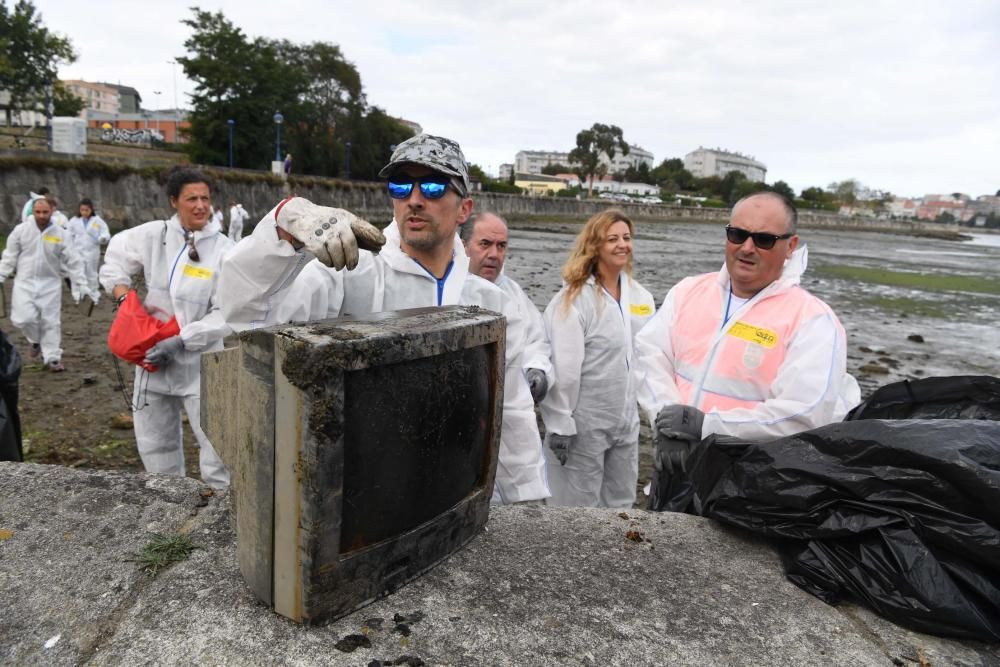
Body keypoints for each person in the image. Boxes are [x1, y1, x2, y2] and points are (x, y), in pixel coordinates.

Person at [215, 134, 550, 505]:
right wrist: (284, 228)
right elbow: (249, 318)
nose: (415, 199)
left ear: (464, 208)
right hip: (363, 492)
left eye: (435, 186)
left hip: (454, 488)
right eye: (401, 184)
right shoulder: (347, 273)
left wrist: (527, 497)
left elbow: (512, 408)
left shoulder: (489, 301)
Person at [635, 191, 861, 475]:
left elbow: (804, 413)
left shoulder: (813, 320)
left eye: (764, 240)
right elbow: (651, 357)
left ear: (790, 246)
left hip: (749, 484)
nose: (747, 248)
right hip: (674, 463)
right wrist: (668, 422)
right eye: (737, 234)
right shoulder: (687, 292)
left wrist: (706, 426)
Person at [99, 167, 233, 489]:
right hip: (151, 355)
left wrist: (183, 340)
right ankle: (169, 507)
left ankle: (220, 510)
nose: (200, 205)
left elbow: (227, 311)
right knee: (155, 442)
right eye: (191, 199)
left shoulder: (225, 250)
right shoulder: (153, 236)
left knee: (217, 445)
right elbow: (114, 260)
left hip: (201, 362)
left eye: (205, 198)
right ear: (174, 201)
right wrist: (124, 299)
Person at [539, 209, 656, 508]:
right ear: (595, 246)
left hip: (625, 421)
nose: (622, 245)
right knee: (575, 508)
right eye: (612, 238)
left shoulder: (640, 297)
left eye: (627, 238)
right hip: (584, 425)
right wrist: (560, 424)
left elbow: (648, 357)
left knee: (620, 502)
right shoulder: (574, 300)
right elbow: (565, 367)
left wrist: (654, 412)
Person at [460, 211, 552, 404]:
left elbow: (535, 340)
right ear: (464, 245)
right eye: (485, 244)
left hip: (509, 405)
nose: (494, 254)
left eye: (501, 246)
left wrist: (536, 369)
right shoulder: (449, 290)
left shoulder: (512, 292)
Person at [0, 198, 92, 372]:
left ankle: (52, 357)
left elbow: (73, 261)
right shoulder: (21, 231)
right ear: (32, 212)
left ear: (52, 212)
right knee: (23, 319)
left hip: (50, 283)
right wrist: (1, 275)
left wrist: (81, 285)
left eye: (45, 212)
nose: (41, 216)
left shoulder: (61, 234)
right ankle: (35, 341)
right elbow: (9, 256)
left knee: (50, 322)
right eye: (38, 212)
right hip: (24, 283)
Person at [67, 198, 111, 302]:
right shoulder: (74, 221)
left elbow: (105, 233)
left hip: (92, 251)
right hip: (77, 251)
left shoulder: (97, 221)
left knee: (91, 274)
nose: (84, 212)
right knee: (78, 273)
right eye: (82, 210)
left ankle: (93, 295)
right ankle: (78, 295)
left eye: (87, 210)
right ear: (79, 210)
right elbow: (68, 234)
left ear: (91, 210)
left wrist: (103, 238)